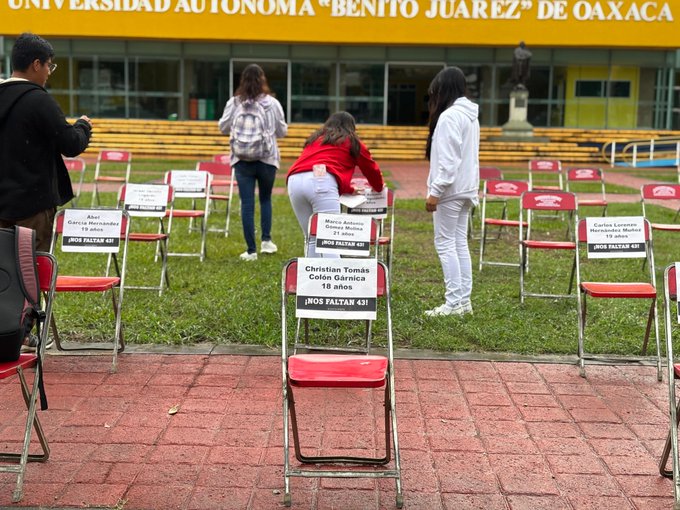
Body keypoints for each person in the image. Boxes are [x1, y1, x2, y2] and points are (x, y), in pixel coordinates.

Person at [0, 33, 92, 252]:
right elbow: (71, 144)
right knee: (31, 266)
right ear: (36, 64)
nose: (49, 72)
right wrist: (83, 126)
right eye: (49, 66)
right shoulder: (39, 100)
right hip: (33, 207)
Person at [287, 111, 384, 258]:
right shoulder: (351, 141)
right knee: (329, 238)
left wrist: (349, 189)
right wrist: (379, 186)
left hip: (294, 180)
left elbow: (324, 166)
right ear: (351, 127)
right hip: (321, 180)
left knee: (311, 237)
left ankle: (312, 272)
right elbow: (370, 168)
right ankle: (332, 272)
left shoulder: (316, 139)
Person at [424, 67, 480, 317]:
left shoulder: (449, 117)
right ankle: (463, 302)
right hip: (466, 189)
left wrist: (435, 191)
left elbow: (449, 161)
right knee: (459, 243)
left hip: (450, 190)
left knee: (445, 244)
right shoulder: (471, 116)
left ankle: (454, 303)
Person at [218, 64, 287, 261]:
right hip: (267, 158)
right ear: (263, 79)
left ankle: (251, 251)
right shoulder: (272, 103)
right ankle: (266, 241)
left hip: (242, 159)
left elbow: (223, 127)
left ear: (242, 80)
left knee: (247, 204)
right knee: (265, 199)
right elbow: (282, 131)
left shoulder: (234, 102)